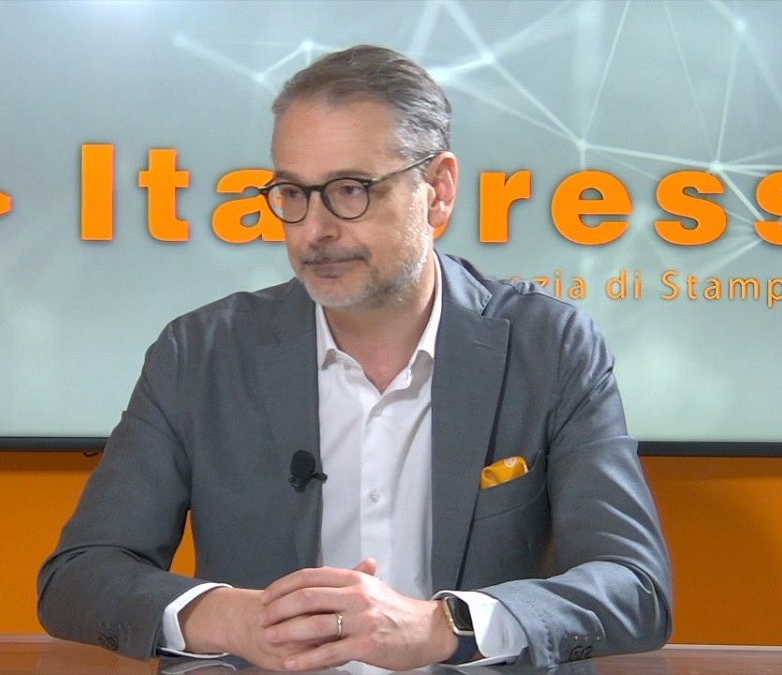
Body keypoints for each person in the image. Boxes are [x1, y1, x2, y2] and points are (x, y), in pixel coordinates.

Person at [37, 44, 671, 670]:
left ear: (438, 190)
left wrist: (444, 627)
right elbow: (78, 576)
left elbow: (634, 588)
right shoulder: (200, 354)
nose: (315, 230)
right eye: (293, 193)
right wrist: (226, 617)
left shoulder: (549, 347)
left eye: (350, 189)